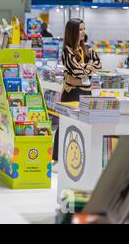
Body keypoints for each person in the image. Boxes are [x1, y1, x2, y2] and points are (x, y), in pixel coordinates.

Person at [52, 19, 102, 163]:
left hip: (87, 92)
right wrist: (88, 68)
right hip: (72, 93)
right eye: (80, 29)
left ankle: (79, 157)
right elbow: (75, 70)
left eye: (84, 29)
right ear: (73, 32)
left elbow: (98, 65)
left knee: (85, 125)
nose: (83, 32)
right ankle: (56, 158)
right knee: (66, 124)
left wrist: (84, 69)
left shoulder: (87, 48)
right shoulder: (67, 50)